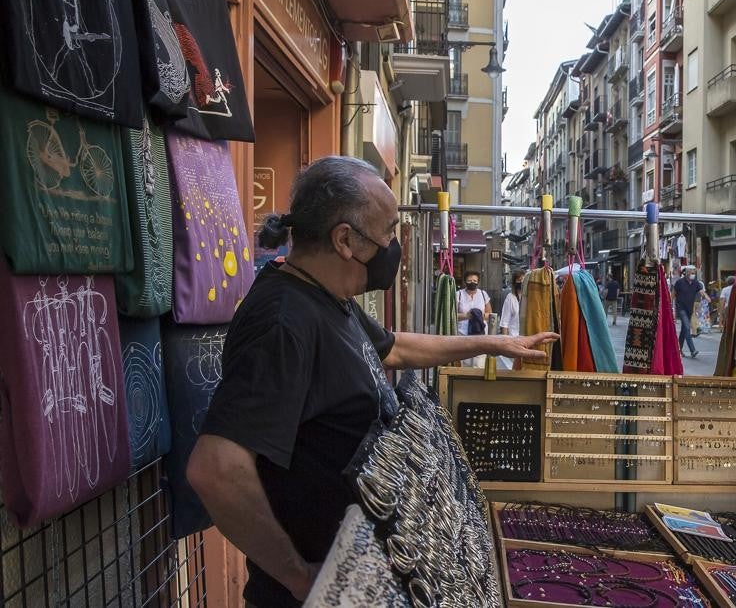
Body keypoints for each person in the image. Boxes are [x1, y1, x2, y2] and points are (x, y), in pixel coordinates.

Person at [185, 157, 557, 607]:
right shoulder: (284, 324)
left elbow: (394, 348)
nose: (393, 246)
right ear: (346, 240)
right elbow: (216, 469)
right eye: (389, 232)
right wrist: (300, 576)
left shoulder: (326, 297)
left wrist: (492, 345)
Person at [672, 265, 708, 358]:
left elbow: (701, 291)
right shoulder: (679, 282)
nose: (693, 274)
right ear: (687, 273)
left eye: (694, 272)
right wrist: (669, 305)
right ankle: (693, 350)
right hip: (681, 308)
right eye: (691, 272)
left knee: (684, 331)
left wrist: (706, 297)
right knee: (687, 328)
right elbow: (673, 294)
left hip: (689, 309)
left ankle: (678, 350)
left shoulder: (696, 283)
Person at [456, 270, 491, 336]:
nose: (472, 282)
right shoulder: (458, 295)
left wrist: (478, 315)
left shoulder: (483, 294)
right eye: (469, 280)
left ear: (478, 282)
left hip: (481, 333)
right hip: (462, 333)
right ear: (465, 281)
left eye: (475, 281)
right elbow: (452, 315)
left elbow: (490, 314)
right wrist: (467, 316)